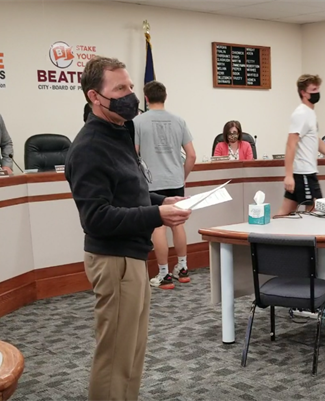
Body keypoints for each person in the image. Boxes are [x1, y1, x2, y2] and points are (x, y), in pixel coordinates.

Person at [65, 56, 191, 401]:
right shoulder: (89, 147)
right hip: (113, 260)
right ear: (95, 96)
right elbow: (97, 218)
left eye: (130, 87)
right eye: (120, 89)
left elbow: (127, 189)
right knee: (115, 357)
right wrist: (155, 216)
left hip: (132, 256)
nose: (130, 95)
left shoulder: (121, 130)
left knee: (133, 351)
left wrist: (158, 202)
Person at [134, 80, 197, 290]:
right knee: (178, 223)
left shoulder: (138, 122)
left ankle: (164, 274)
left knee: (158, 226)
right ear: (165, 97)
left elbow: (133, 155)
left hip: (152, 184)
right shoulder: (179, 121)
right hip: (175, 180)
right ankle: (183, 267)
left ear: (146, 98)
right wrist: (182, 176)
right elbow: (192, 155)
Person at [278, 74, 325, 216]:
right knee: (314, 211)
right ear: (303, 92)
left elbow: (316, 141)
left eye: (318, 89)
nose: (317, 93)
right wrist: (288, 176)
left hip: (307, 172)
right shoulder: (301, 114)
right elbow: (291, 144)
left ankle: (267, 237)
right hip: (303, 173)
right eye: (313, 89)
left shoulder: (310, 113)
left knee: (285, 211)